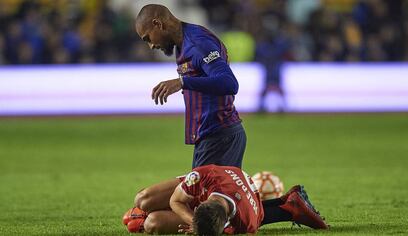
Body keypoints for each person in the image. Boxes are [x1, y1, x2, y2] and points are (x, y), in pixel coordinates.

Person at [135, 4, 246, 169]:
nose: (151, 45)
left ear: (158, 24)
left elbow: (229, 82)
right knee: (209, 194)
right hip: (210, 136)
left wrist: (182, 82)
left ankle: (287, 196)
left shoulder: (198, 43)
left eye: (148, 38)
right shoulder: (182, 43)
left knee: (200, 195)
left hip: (220, 136)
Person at [123, 165, 328, 234]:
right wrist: (191, 221)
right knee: (142, 199)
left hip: (235, 197)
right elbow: (176, 201)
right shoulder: (204, 175)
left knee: (152, 223)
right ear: (201, 202)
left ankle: (146, 217)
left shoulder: (247, 222)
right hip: (220, 181)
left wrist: (198, 227)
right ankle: (145, 211)